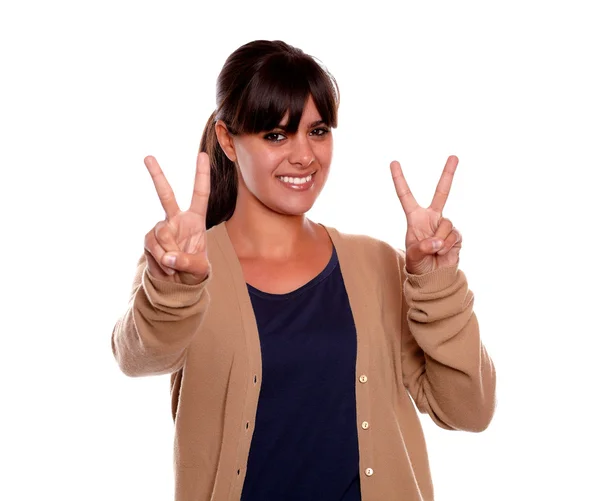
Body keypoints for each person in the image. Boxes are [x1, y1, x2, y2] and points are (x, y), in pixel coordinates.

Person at [111, 39, 496, 501]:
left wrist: (437, 285)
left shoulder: (377, 265)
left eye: (318, 131)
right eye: (276, 135)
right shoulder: (186, 267)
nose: (304, 156)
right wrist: (173, 290)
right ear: (227, 140)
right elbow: (137, 359)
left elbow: (471, 411)